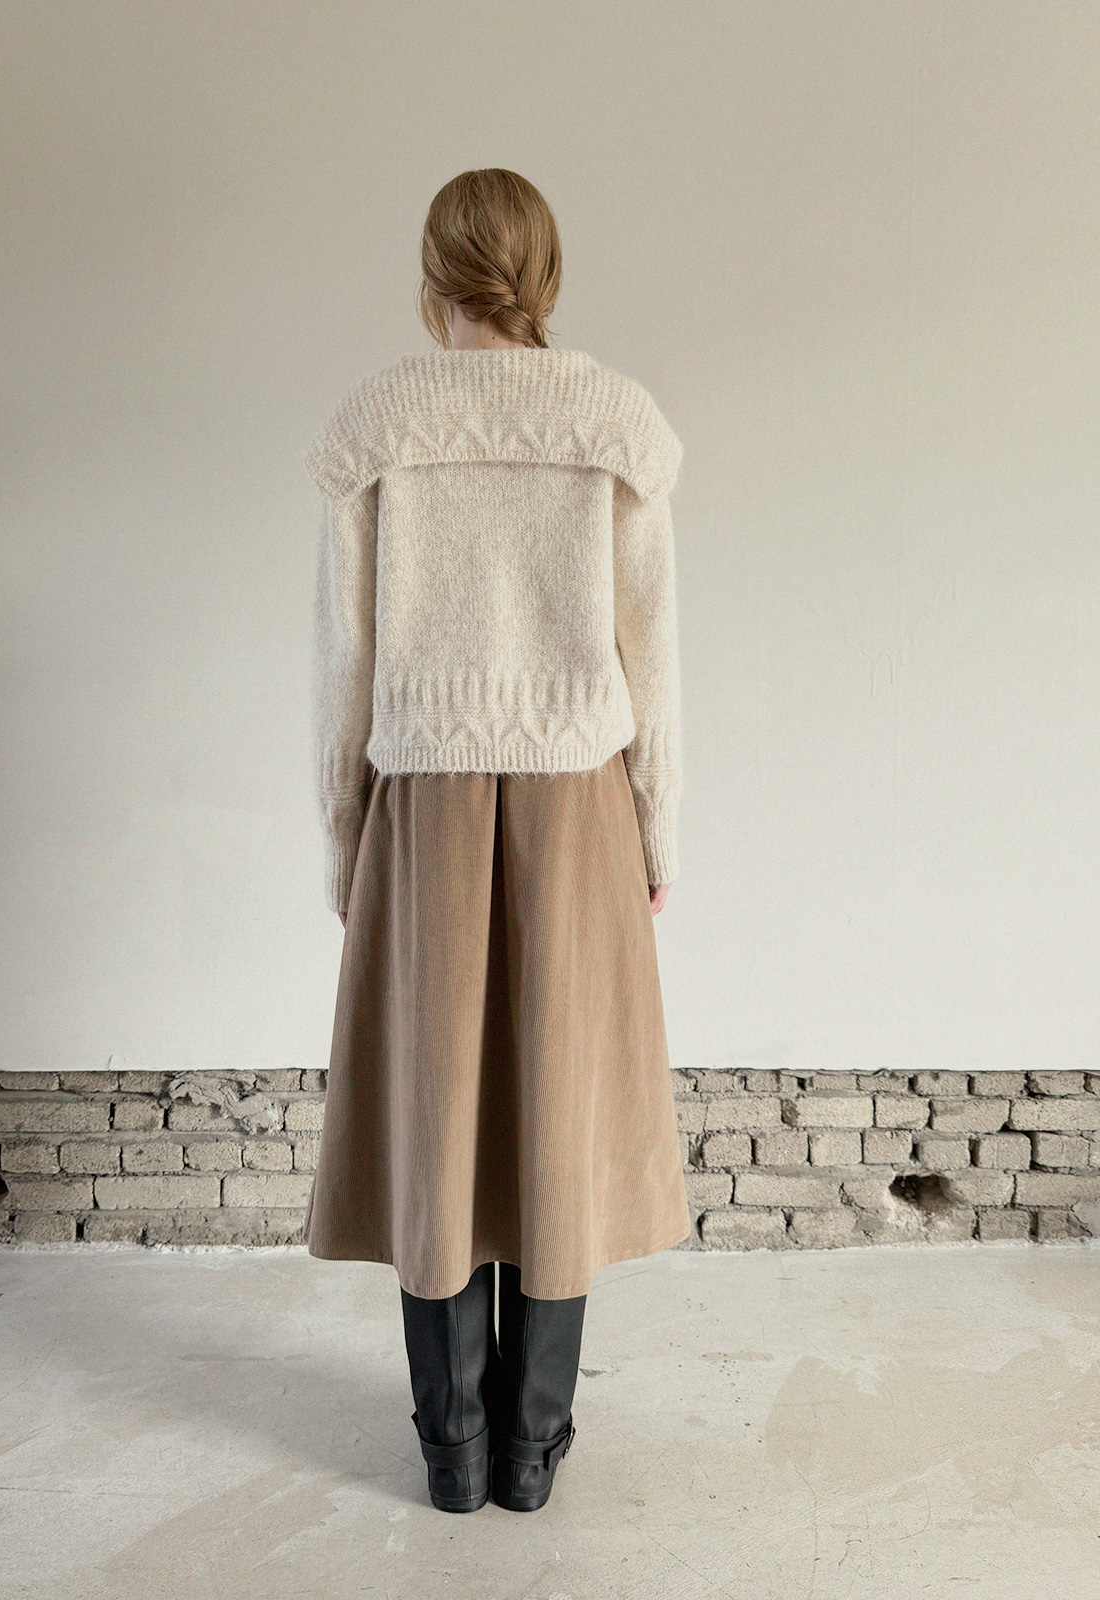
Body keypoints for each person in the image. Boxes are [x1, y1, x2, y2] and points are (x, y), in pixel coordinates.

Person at [299, 168, 690, 1514]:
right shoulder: (615, 422)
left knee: (436, 1116)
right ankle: (531, 1450)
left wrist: (344, 838)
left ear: (433, 275)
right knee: (559, 1112)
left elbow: (343, 665)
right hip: (580, 803)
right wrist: (659, 829)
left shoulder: (379, 424)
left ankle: (451, 1454)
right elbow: (656, 657)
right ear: (547, 272)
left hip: (424, 805)